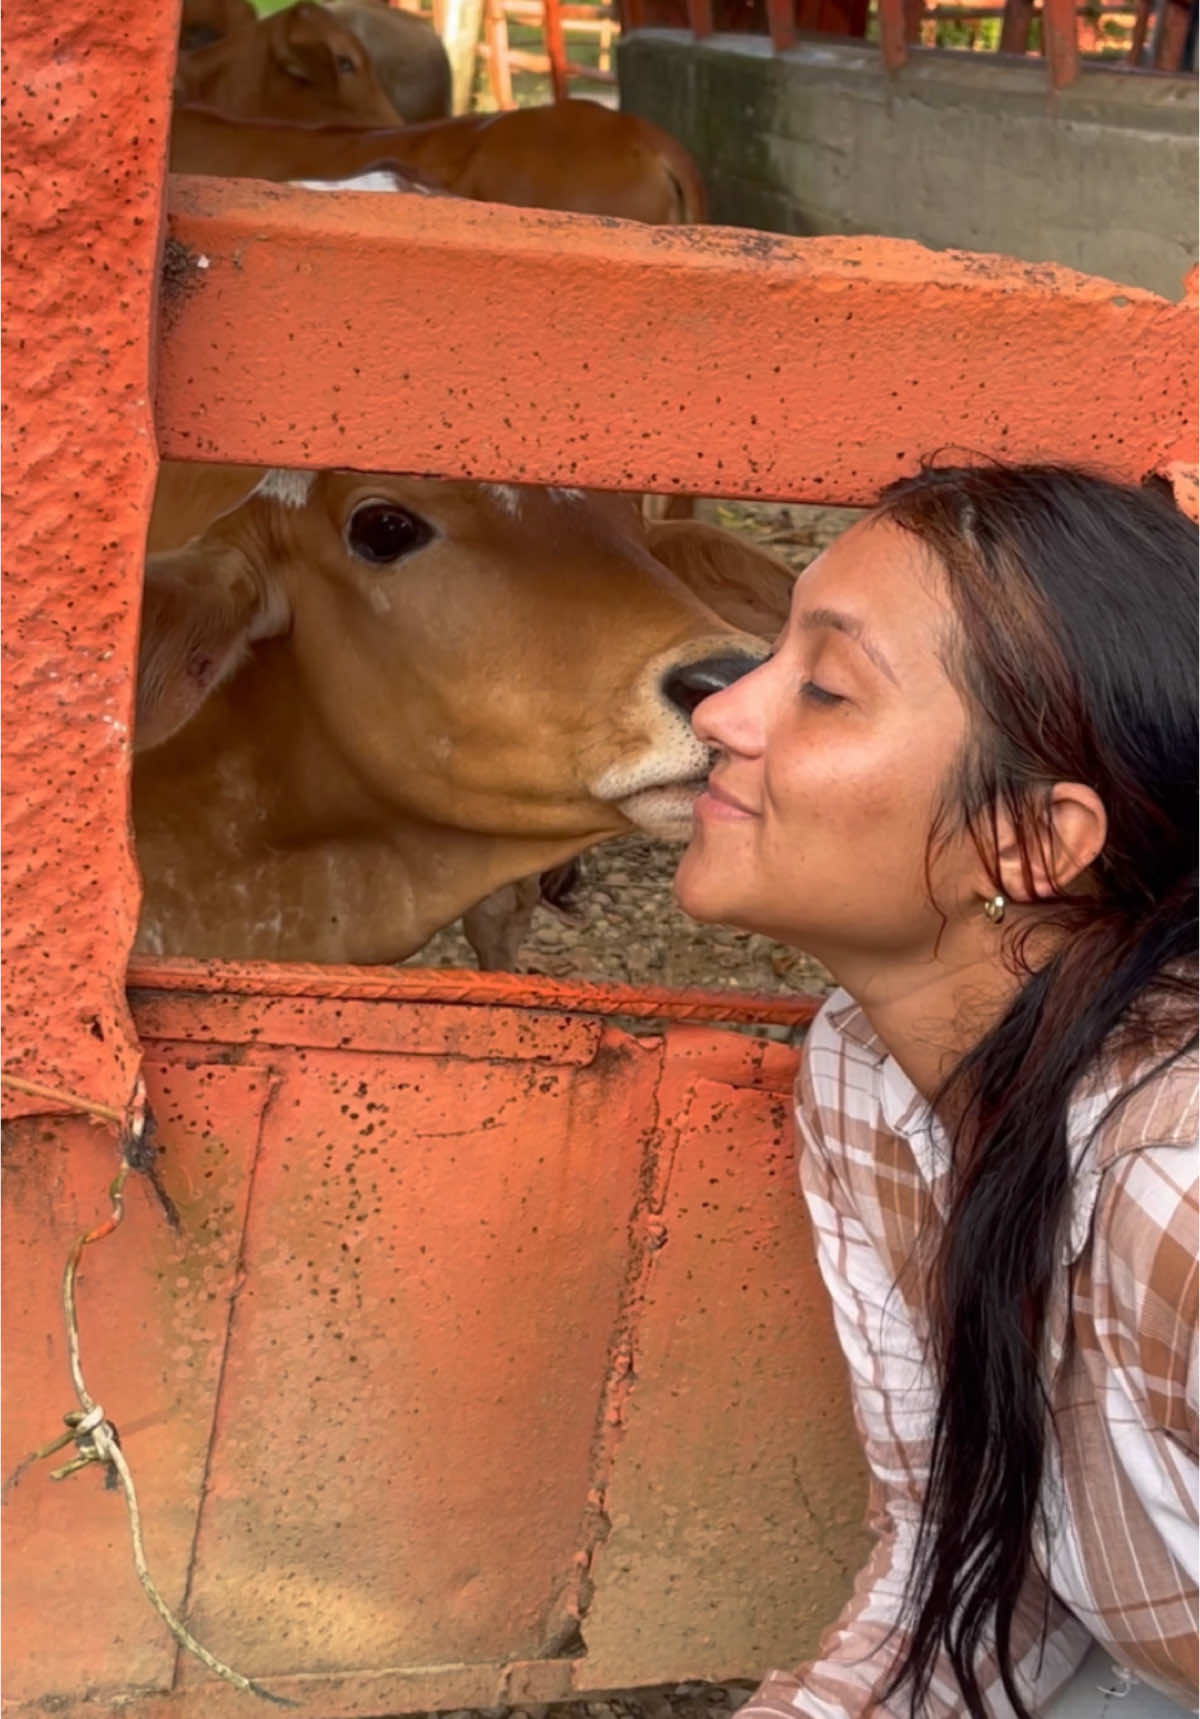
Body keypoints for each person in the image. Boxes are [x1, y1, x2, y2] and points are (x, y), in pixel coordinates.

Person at [674, 464, 1198, 1717]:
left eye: (826, 689)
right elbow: (966, 1566)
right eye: (774, 652)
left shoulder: (1176, 1187)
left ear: (1026, 845)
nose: (722, 714)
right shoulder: (870, 1076)